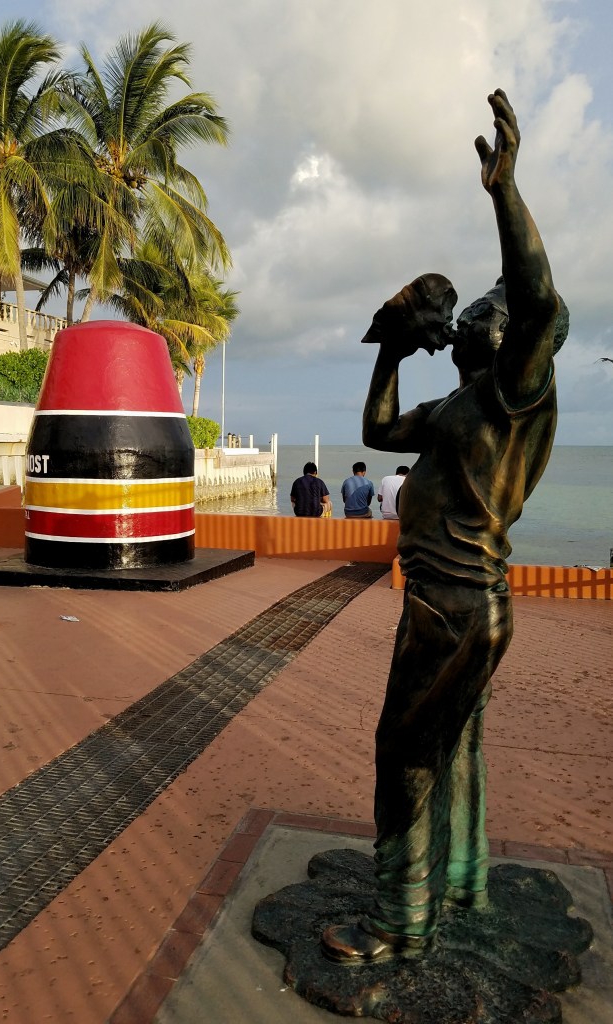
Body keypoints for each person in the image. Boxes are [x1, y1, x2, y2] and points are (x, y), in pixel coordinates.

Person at [322, 90, 569, 965]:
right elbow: (380, 432)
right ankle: (460, 879)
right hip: (460, 601)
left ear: (503, 338)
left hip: (454, 603)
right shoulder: (459, 402)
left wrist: (505, 193)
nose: (478, 308)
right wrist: (390, 345)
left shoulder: (511, 394)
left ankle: (398, 924)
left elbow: (540, 301)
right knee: (454, 739)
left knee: (403, 756)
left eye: (490, 309)